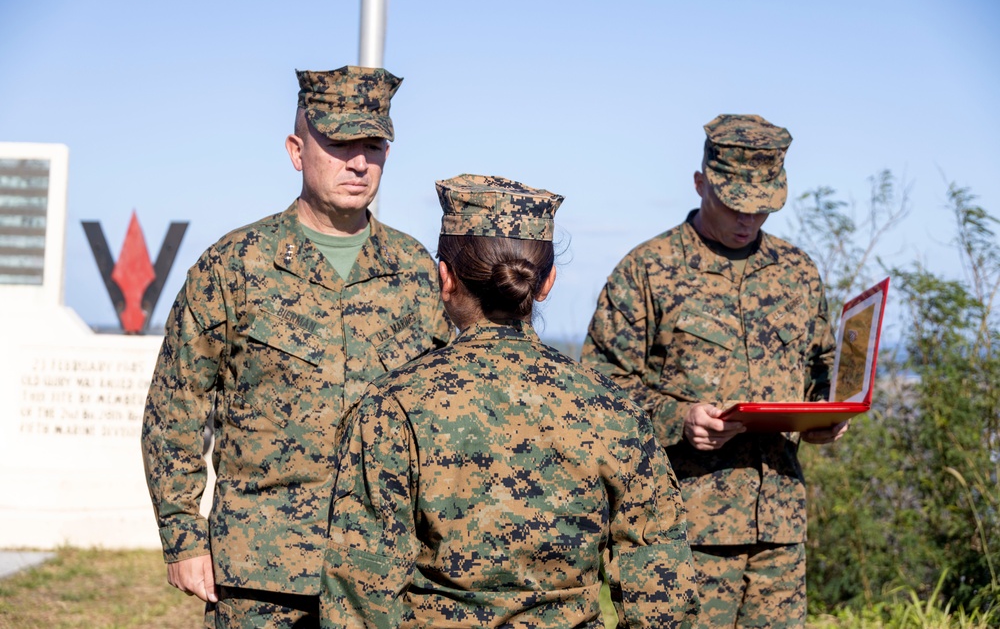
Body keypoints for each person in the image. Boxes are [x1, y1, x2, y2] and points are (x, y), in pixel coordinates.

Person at [141, 65, 453, 628]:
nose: (359, 163)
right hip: (260, 576)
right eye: (338, 143)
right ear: (295, 150)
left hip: (384, 574)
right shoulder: (235, 265)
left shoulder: (416, 273)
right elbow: (175, 407)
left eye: (374, 145)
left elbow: (444, 415)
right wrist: (183, 535)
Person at [320, 174, 701, 628]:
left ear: (445, 278)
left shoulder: (393, 405)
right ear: (547, 283)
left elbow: (360, 592)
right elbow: (662, 592)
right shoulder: (612, 408)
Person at [581, 114, 847, 628]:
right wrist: (677, 420)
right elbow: (599, 390)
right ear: (701, 182)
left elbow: (822, 370)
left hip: (780, 532)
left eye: (763, 208)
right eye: (733, 204)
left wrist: (830, 416)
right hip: (682, 530)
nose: (748, 220)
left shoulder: (797, 273)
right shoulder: (648, 269)